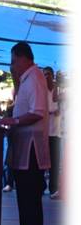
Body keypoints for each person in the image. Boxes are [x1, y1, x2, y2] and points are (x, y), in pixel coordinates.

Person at [0, 42, 50, 225]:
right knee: (26, 206)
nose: (12, 66)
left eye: (13, 61)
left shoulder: (36, 77)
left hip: (32, 152)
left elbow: (37, 112)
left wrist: (15, 121)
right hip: (24, 150)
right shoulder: (26, 79)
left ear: (22, 58)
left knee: (30, 206)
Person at [43, 66, 61, 199]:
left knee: (54, 162)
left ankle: (53, 189)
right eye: (44, 74)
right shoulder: (42, 91)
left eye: (48, 74)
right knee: (42, 162)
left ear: (52, 75)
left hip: (56, 132)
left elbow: (58, 105)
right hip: (44, 132)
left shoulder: (57, 90)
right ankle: (42, 187)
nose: (46, 76)